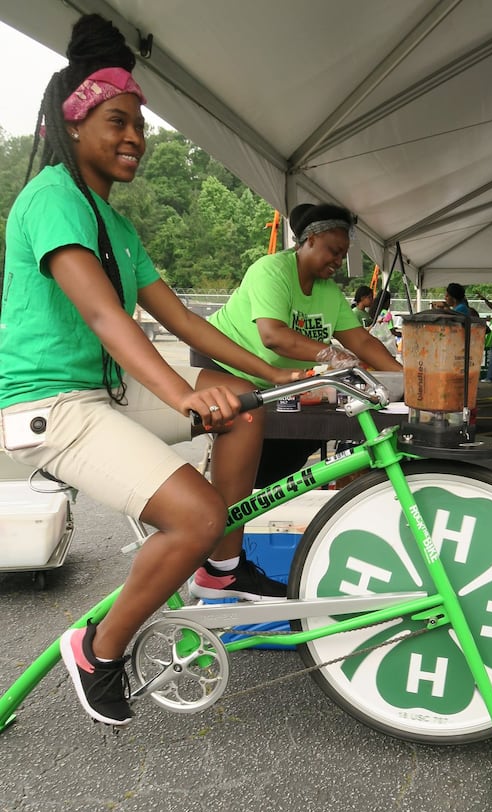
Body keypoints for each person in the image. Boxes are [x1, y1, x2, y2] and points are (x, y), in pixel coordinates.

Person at [0, 14, 307, 728]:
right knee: (193, 511)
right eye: (117, 121)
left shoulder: (120, 227)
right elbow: (109, 318)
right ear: (76, 124)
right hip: (51, 404)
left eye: (140, 124)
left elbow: (189, 323)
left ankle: (220, 568)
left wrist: (281, 376)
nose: (135, 137)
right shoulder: (52, 198)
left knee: (247, 408)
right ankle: (97, 650)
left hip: (103, 392)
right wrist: (182, 392)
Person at [188, 202, 402, 492]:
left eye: (343, 254)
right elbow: (273, 336)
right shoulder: (272, 270)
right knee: (250, 440)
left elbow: (361, 340)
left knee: (297, 442)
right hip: (224, 363)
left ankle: (258, 498)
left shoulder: (328, 291)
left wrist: (404, 378)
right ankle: (229, 506)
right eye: (333, 251)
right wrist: (331, 355)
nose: (339, 260)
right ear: (310, 240)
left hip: (276, 378)